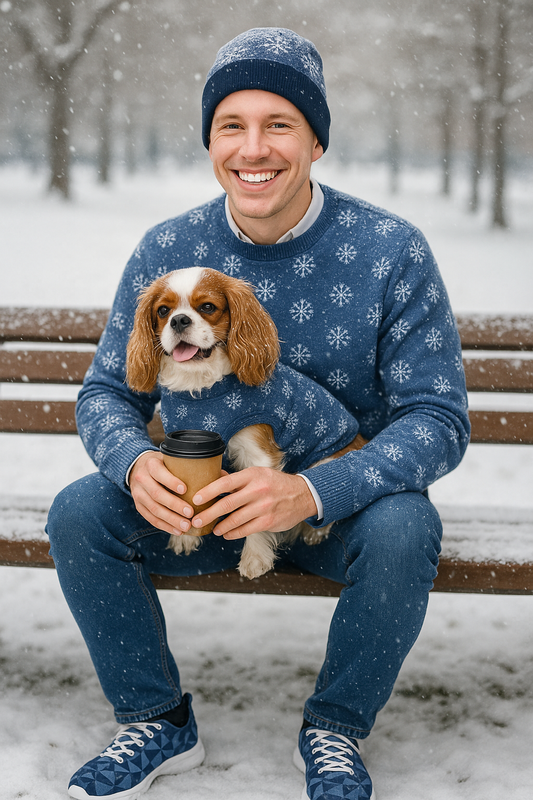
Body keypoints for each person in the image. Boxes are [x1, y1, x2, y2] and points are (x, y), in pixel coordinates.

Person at [47, 27, 470, 800]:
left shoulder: (389, 250)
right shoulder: (166, 248)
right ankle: (155, 717)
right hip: (198, 509)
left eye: (279, 124)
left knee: (406, 525)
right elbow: (107, 392)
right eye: (230, 125)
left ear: (315, 141)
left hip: (344, 514)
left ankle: (335, 730)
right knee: (81, 511)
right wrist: (134, 463)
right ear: (210, 141)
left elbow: (437, 420)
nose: (254, 149)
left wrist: (310, 492)